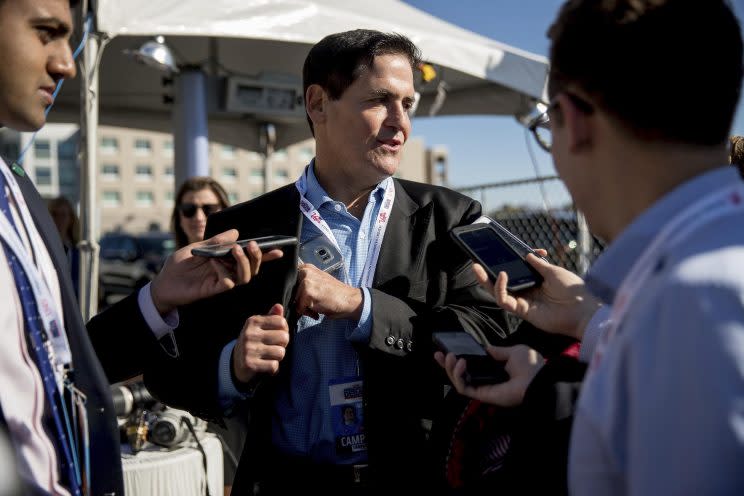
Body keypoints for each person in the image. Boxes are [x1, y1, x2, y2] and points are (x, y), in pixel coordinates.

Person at [142, 29, 515, 495]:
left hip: (411, 481)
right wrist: (231, 368)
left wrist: (363, 308)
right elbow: (166, 371)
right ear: (318, 104)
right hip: (282, 483)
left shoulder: (450, 219)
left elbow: (492, 334)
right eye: (381, 100)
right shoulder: (242, 228)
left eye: (409, 103)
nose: (400, 122)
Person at [437, 1, 744, 495]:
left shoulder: (688, 301)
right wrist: (585, 318)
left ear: (573, 120)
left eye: (546, 129)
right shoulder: (702, 269)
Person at [0, 0, 282, 493]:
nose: (67, 64)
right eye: (46, 32)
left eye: (69, 39)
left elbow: (69, 366)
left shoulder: (19, 192)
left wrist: (157, 299)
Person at [171, 176, 244, 495]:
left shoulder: (247, 272)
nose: (199, 216)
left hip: (239, 415)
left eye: (209, 208)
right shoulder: (165, 276)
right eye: (189, 209)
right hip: (184, 412)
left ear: (226, 211)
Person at [172, 176, 230, 248]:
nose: (199, 218)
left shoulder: (243, 256)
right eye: (189, 209)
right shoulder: (172, 259)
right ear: (178, 217)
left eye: (209, 209)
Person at [47, 195, 80, 296]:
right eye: (54, 214)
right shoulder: (43, 247)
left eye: (63, 215)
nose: (59, 219)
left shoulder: (78, 250)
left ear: (71, 219)